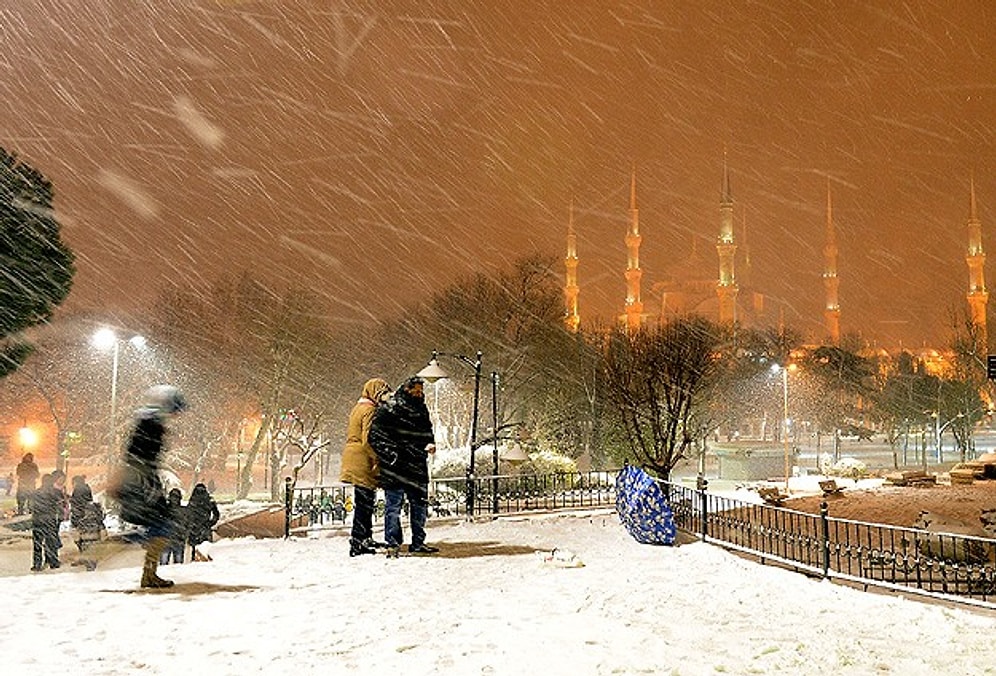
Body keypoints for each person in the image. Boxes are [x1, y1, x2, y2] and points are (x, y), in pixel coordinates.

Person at [112, 384, 188, 588]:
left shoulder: (148, 421)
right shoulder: (151, 424)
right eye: (175, 410)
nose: (176, 415)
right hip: (142, 480)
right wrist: (146, 480)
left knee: (158, 524)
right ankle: (116, 550)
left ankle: (148, 572)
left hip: (139, 478)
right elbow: (141, 455)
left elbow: (133, 453)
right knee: (161, 524)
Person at [368, 376, 439, 556]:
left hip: (413, 465)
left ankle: (416, 542)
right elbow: (375, 437)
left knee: (418, 506)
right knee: (394, 507)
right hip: (398, 466)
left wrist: (429, 443)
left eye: (421, 391)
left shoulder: (419, 408)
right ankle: (393, 543)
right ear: (407, 389)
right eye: (416, 390)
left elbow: (427, 431)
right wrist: (392, 454)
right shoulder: (390, 408)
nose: (420, 393)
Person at [340, 377, 391, 557]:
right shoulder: (369, 410)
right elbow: (368, 439)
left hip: (354, 457)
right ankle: (358, 541)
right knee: (364, 503)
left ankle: (364, 537)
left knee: (364, 500)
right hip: (362, 459)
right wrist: (377, 458)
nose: (385, 396)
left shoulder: (358, 408)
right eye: (383, 392)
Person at [30, 472, 63, 571]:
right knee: (50, 542)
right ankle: (53, 562)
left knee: (37, 543)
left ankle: (37, 564)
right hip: (49, 520)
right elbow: (61, 505)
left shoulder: (36, 492)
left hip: (37, 520)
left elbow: (31, 506)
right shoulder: (56, 492)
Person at [186, 482, 219, 562]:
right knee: (206, 549)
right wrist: (210, 523)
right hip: (204, 527)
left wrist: (190, 524)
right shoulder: (209, 500)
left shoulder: (193, 500)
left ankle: (195, 561)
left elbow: (188, 513)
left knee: (197, 549)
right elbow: (216, 514)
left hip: (195, 528)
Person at [160, 488, 188, 565]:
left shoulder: (164, 509)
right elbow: (187, 525)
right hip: (178, 539)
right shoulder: (183, 511)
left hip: (166, 538)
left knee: (164, 564)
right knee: (178, 564)